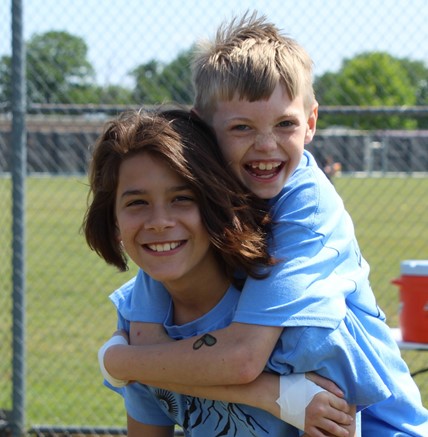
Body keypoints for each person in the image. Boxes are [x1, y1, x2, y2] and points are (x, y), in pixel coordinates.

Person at [100, 12, 428, 436]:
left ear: (311, 123)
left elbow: (240, 358)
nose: (267, 145)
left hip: (380, 423)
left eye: (285, 124)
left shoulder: (307, 206)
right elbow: (148, 344)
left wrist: (115, 361)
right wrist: (273, 395)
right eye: (241, 127)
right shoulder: (203, 209)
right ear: (203, 127)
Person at [84, 108, 355, 436]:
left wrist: (117, 361)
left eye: (182, 198)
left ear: (216, 203)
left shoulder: (295, 315)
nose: (159, 222)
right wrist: (269, 394)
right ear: (113, 222)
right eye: (136, 203)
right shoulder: (137, 321)